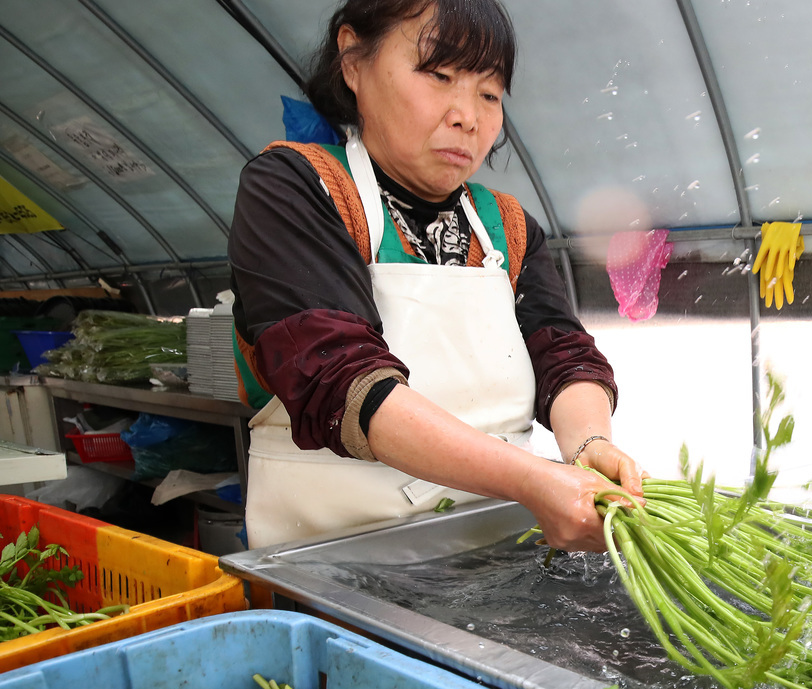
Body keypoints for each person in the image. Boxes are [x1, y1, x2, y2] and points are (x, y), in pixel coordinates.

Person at [229, 0, 643, 550]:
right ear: (353, 60)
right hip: (334, 568)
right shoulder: (298, 188)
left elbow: (562, 352)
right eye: (439, 75)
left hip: (498, 557)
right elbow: (343, 382)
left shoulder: (509, 228)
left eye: (489, 93)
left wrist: (588, 442)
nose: (468, 116)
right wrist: (534, 479)